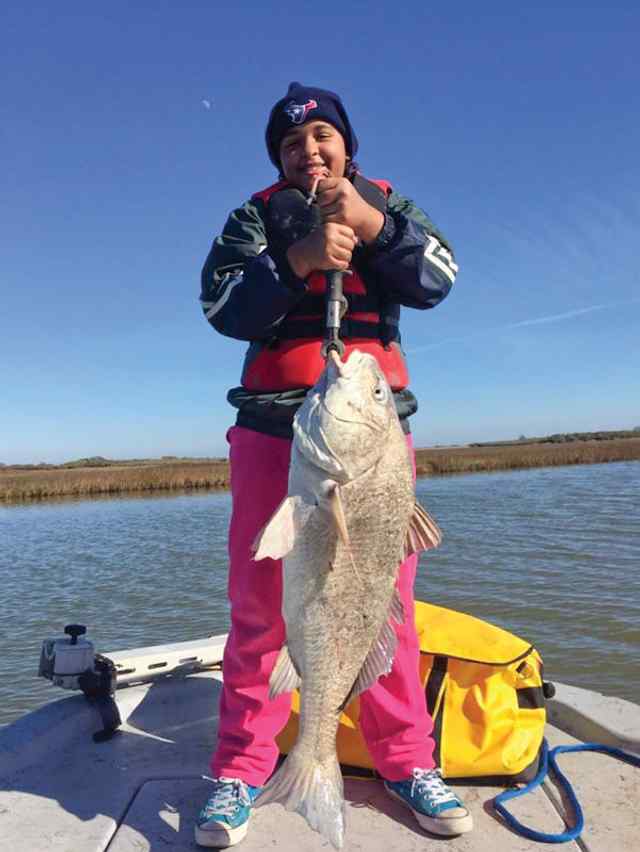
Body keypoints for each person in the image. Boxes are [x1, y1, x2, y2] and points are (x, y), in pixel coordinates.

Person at [196, 82, 471, 848]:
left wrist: (375, 231)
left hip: (376, 450)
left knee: (386, 610)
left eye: (321, 136)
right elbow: (221, 308)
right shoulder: (256, 218)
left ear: (348, 146)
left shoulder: (390, 206)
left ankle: (407, 761)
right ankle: (242, 769)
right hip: (272, 438)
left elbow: (439, 279)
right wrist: (299, 259)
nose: (307, 151)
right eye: (290, 144)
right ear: (277, 160)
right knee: (260, 612)